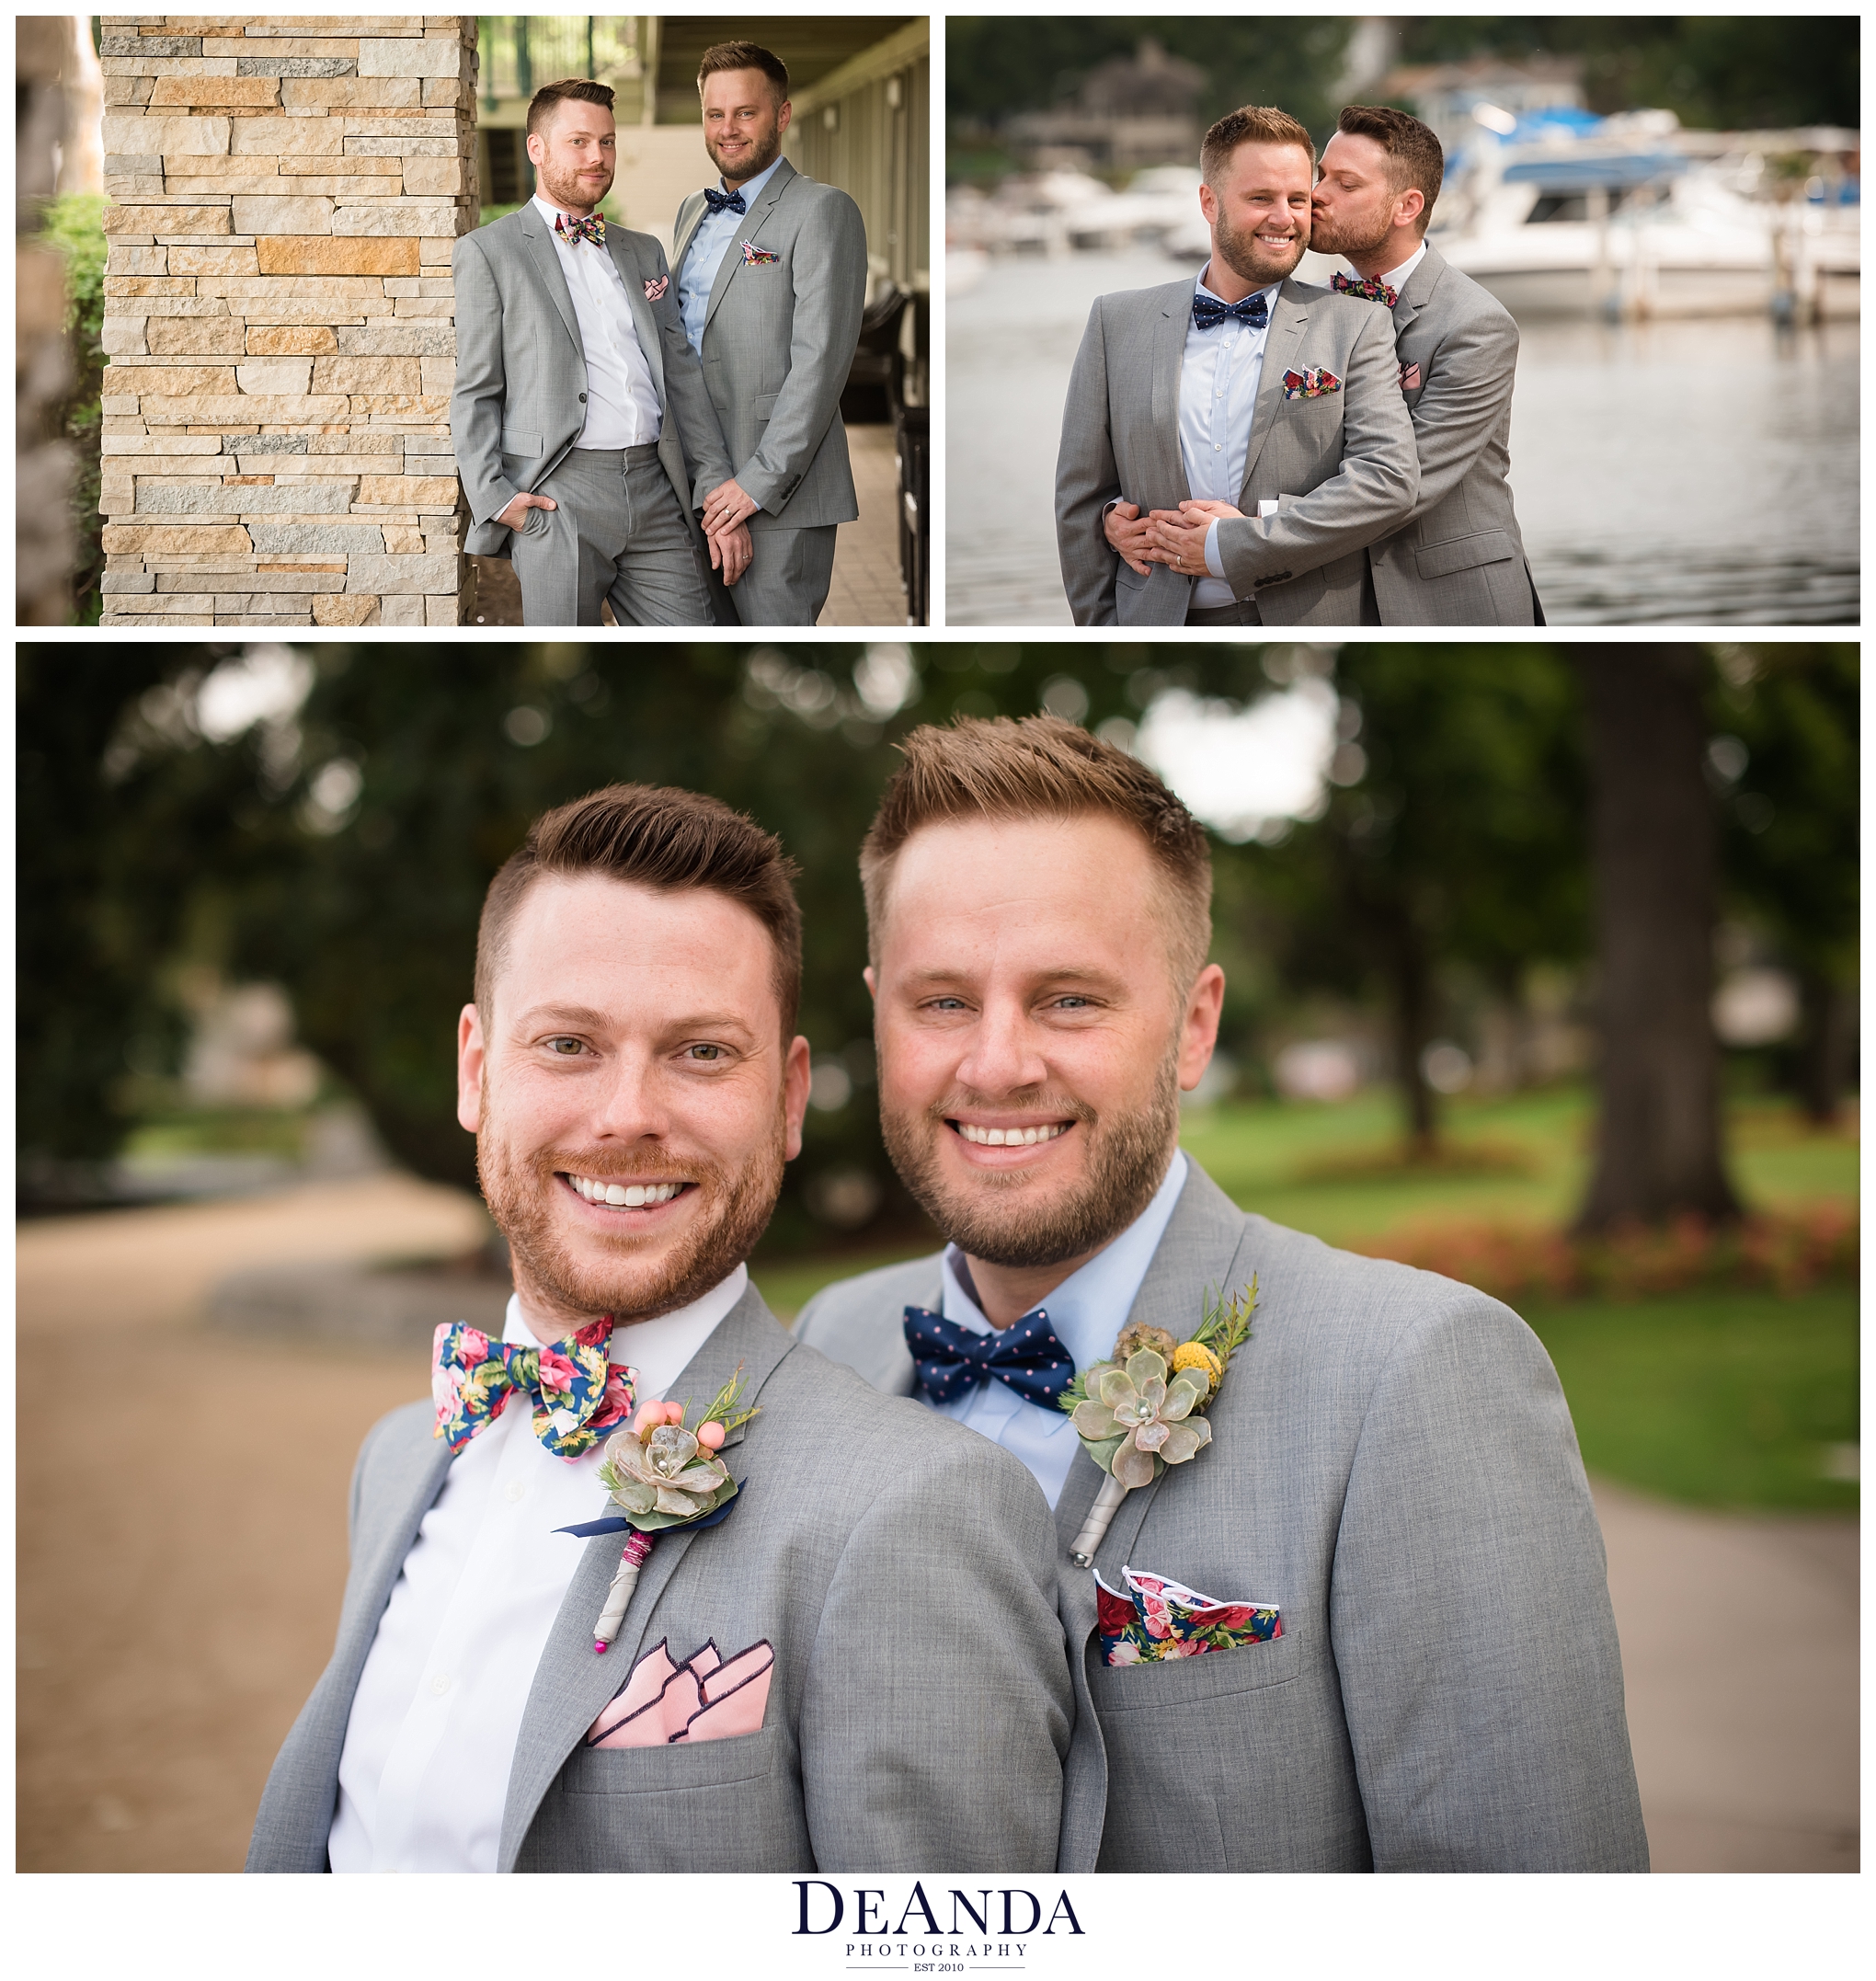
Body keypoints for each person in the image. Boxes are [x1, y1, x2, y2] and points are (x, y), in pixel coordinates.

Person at [794, 716, 1650, 1873]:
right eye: (940, 1001)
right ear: (877, 1008)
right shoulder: (828, 1345)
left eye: (1069, 1001)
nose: (995, 1063)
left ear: (1192, 1026)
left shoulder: (1419, 1377)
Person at [247, 784, 1070, 1873]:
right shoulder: (397, 1459)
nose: (629, 1113)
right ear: (476, 1071)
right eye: (569, 1043)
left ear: (786, 1101)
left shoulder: (916, 1513)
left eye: (701, 1053)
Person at [1055, 105, 1419, 627]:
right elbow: (1080, 496)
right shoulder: (1117, 322)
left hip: (1309, 625)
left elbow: (1386, 481)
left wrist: (1237, 542)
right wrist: (1101, 627)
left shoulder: (1356, 324)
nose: (1284, 217)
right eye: (1260, 199)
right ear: (1209, 202)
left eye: (1297, 199)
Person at [452, 79, 750, 626]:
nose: (597, 158)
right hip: (558, 496)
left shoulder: (643, 251)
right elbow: (476, 388)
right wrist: (495, 497)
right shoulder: (489, 253)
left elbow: (680, 372)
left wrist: (711, 480)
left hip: (658, 486)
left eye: (608, 143)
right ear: (536, 148)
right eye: (579, 142)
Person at [1309, 105, 1545, 624]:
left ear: (1406, 205)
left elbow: (1404, 484)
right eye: (1320, 175)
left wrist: (1247, 526)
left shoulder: (1476, 324)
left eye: (1345, 184)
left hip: (1460, 605)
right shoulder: (1306, 312)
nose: (1317, 194)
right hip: (1342, 604)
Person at [673, 42, 868, 627]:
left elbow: (821, 367)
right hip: (692, 485)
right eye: (715, 114)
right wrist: (708, 486)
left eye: (746, 113)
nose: (728, 129)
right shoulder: (691, 211)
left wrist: (753, 487)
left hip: (779, 493)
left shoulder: (824, 210)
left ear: (782, 115)